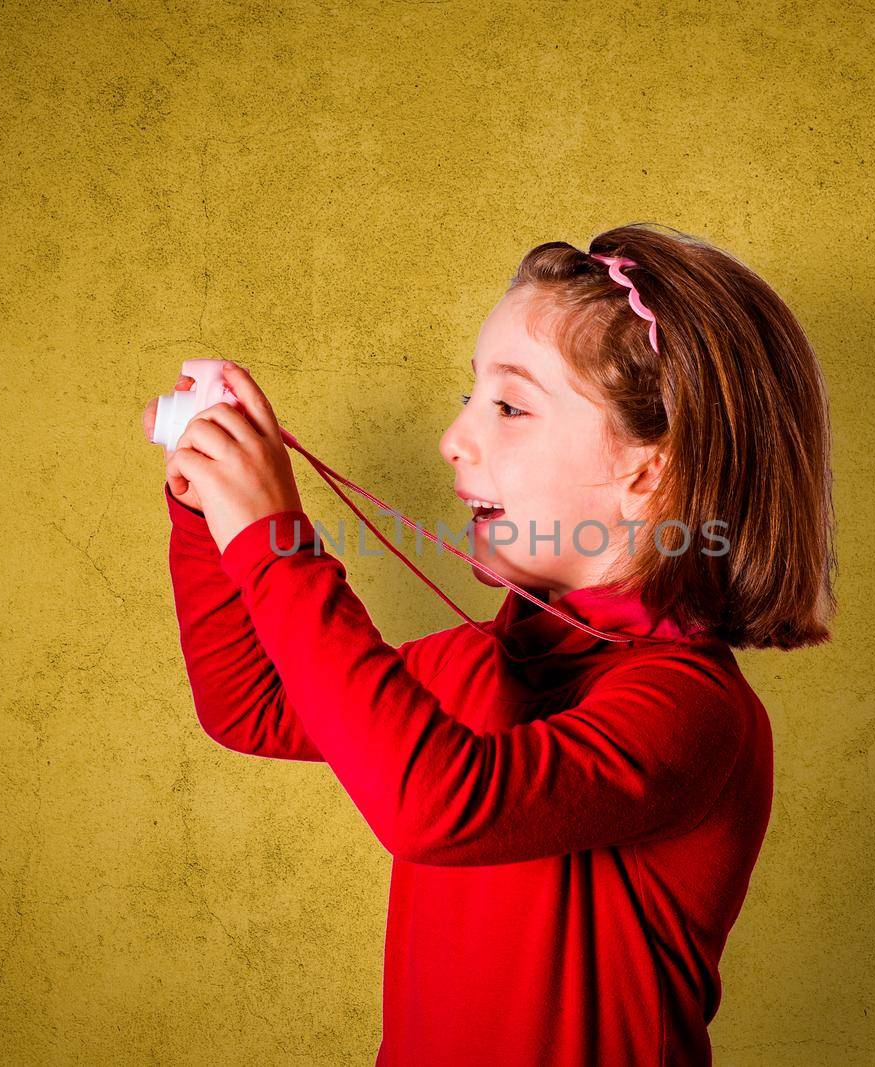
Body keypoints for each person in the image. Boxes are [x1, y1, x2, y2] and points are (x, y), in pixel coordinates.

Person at [145, 222, 837, 1066]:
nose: (454, 438)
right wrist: (207, 505)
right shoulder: (476, 663)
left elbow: (436, 803)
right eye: (469, 395)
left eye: (508, 406)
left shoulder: (690, 708)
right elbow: (249, 705)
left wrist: (273, 535)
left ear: (650, 469)